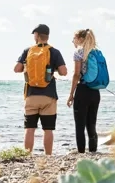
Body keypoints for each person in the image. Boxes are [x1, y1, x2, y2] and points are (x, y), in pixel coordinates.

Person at [14, 24, 67, 155]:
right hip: (48, 96)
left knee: (29, 128)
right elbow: (64, 72)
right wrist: (51, 69)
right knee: (48, 129)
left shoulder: (28, 51)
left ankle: (27, 155)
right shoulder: (54, 52)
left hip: (31, 96)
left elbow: (17, 69)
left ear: (37, 35)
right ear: (47, 36)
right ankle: (48, 156)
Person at [66, 28, 101, 153]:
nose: (73, 41)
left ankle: (81, 153)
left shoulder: (79, 52)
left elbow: (76, 75)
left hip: (82, 91)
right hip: (95, 91)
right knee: (91, 125)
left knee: (80, 125)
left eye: (74, 39)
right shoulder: (97, 52)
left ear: (80, 39)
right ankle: (93, 152)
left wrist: (71, 94)